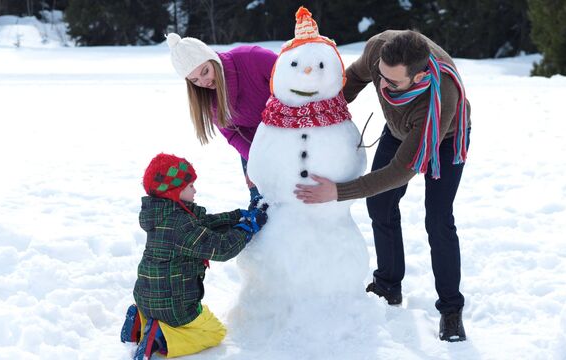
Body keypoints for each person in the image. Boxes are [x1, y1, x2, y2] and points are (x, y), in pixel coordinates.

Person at [294, 30, 471, 342]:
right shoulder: (379, 50)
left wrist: (339, 190)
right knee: (379, 205)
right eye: (382, 78)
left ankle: (451, 309)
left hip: (443, 137)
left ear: (419, 76)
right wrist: (323, 113)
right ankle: (388, 284)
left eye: (394, 83)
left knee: (438, 220)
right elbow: (355, 78)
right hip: (399, 127)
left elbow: (401, 170)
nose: (384, 86)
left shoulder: (441, 96)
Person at [120, 153, 268, 359]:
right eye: (190, 186)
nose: (195, 190)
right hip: (174, 306)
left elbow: (205, 223)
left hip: (146, 299)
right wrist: (247, 228)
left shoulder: (164, 215)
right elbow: (221, 248)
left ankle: (141, 322)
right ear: (174, 192)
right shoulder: (181, 225)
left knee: (159, 310)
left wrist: (238, 216)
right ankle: (161, 337)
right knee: (214, 332)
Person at [166, 33, 278, 201]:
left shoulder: (252, 58)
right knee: (262, 202)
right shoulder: (207, 99)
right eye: (195, 80)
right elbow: (233, 134)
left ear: (213, 59)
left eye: (205, 71)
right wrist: (255, 162)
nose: (203, 82)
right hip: (255, 147)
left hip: (298, 131)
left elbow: (294, 81)